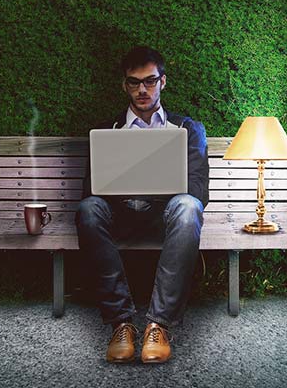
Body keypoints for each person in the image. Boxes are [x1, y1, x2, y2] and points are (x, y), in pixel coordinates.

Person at [75, 46, 209, 364]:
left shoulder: (188, 129)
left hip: (165, 216)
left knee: (189, 208)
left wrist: (159, 185)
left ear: (163, 81)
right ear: (125, 85)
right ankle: (121, 323)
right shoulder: (108, 131)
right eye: (134, 82)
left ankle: (158, 325)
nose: (142, 90)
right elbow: (89, 189)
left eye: (149, 81)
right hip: (120, 213)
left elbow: (199, 189)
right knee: (88, 210)